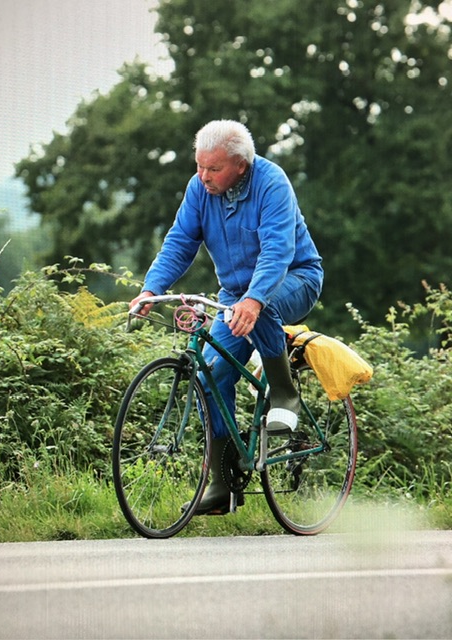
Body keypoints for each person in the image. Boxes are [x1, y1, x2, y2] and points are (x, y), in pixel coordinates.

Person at [130, 119, 323, 515]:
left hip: (295, 278)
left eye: (213, 168)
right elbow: (180, 242)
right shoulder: (198, 189)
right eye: (199, 166)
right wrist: (151, 289)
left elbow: (277, 250)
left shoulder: (272, 183)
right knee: (211, 374)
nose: (203, 176)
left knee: (263, 308)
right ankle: (222, 484)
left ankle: (284, 392)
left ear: (240, 165)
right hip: (235, 295)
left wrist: (254, 300)